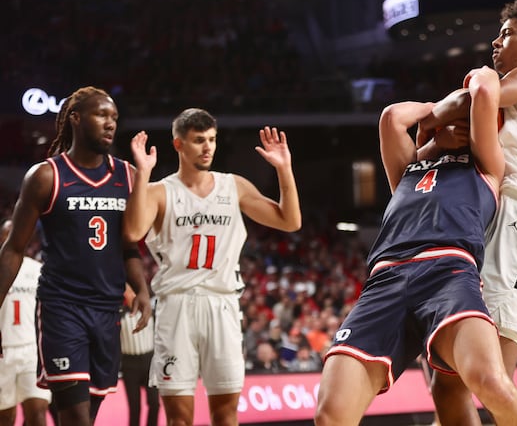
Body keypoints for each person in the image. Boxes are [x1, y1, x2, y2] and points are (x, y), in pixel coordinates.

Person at [314, 67, 517, 426]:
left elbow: (484, 85)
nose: (460, 121)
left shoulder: (485, 162)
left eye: (464, 117)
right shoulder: (408, 165)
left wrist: (445, 113)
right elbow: (391, 118)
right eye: (452, 116)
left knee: (492, 384)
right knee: (330, 415)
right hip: (385, 281)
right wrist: (434, 128)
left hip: (449, 273)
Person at [417, 0, 517, 423]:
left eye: (506, 34)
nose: (495, 41)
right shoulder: (492, 111)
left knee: (493, 377)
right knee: (446, 382)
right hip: (482, 222)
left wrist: (429, 116)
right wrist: (437, 134)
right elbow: (434, 142)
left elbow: (477, 93)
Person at [122, 108, 301, 425]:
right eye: (198, 140)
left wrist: (284, 169)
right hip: (176, 307)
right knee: (179, 417)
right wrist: (143, 175)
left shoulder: (234, 186)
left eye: (212, 140)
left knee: (225, 413)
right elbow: (133, 232)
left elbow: (290, 221)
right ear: (179, 145)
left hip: (223, 304)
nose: (207, 147)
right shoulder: (159, 191)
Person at [0, 86, 152, 426]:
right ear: (76, 119)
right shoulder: (45, 176)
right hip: (62, 308)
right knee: (76, 419)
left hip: (108, 310)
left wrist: (141, 287)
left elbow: (128, 245)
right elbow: (13, 248)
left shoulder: (126, 175)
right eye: (101, 115)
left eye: (114, 117)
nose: (110, 123)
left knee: (89, 416)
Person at [0, 220, 52, 426]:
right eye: (6, 232)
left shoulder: (39, 269)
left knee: (38, 414)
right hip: (3, 353)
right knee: (5, 418)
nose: (11, 236)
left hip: (32, 351)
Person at [120, 285, 159, 426]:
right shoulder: (119, 315)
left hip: (150, 361)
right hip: (129, 364)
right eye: (129, 292)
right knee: (135, 407)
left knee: (155, 403)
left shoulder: (151, 311)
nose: (132, 295)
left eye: (134, 291)